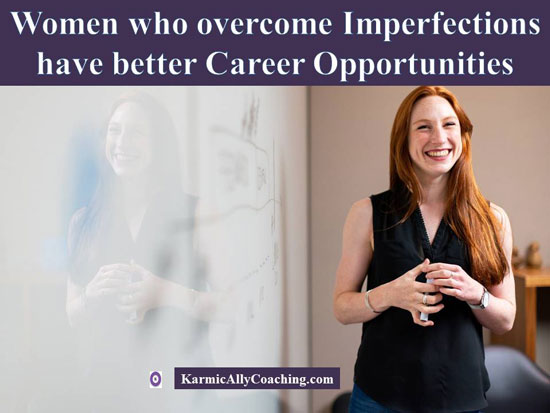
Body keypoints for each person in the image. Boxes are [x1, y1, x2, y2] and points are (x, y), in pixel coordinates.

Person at [333, 86, 516, 413]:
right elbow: (342, 307)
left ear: (463, 135)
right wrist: (390, 294)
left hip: (461, 399)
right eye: (423, 127)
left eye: (449, 125)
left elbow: (505, 320)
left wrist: (477, 294)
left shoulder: (494, 219)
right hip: (379, 398)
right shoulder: (366, 213)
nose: (439, 137)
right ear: (403, 139)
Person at [65, 91, 211, 411]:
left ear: (159, 144)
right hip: (104, 389)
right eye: (115, 130)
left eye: (137, 132)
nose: (122, 143)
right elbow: (72, 312)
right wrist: (91, 294)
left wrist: (165, 292)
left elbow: (229, 304)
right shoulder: (83, 221)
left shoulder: (195, 214)